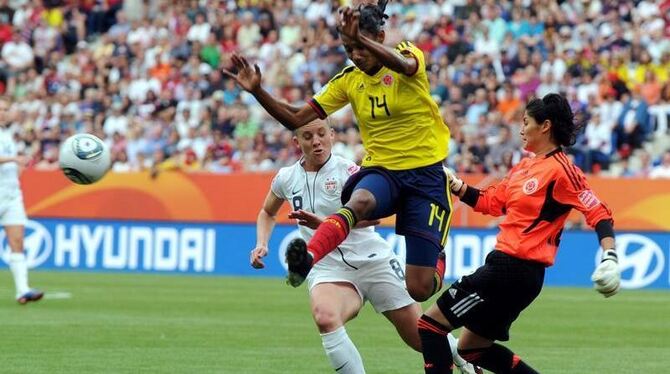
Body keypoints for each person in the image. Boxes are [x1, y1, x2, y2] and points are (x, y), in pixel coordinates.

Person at [226, 0, 453, 302]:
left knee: (419, 289)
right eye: (349, 49)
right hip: (383, 170)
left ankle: (437, 253)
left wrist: (359, 37)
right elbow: (295, 118)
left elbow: (406, 66)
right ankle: (308, 259)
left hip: (425, 176)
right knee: (360, 200)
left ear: (381, 38)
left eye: (361, 46)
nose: (356, 56)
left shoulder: (409, 55)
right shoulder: (349, 80)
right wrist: (258, 92)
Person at [251, 118, 480, 374]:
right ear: (296, 142)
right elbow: (267, 212)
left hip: (372, 260)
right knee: (325, 317)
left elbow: (373, 217)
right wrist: (262, 243)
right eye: (307, 137)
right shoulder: (286, 178)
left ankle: (462, 358)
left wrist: (325, 224)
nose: (316, 141)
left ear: (332, 135)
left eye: (321, 134)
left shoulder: (349, 172)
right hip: (328, 268)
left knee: (419, 338)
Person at [417, 93, 621, 373]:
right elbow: (492, 202)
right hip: (513, 272)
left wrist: (610, 255)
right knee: (472, 349)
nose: (521, 129)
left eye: (526, 122)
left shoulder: (562, 170)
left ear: (545, 126)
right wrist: (457, 185)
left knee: (430, 326)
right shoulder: (524, 166)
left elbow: (598, 211)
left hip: (511, 269)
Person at [0, 98, 44, 304]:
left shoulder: (7, 135)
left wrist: (19, 167)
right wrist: (14, 159)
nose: (3, 112)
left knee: (17, 241)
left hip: (11, 194)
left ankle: (22, 291)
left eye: (5, 109)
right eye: (0, 109)